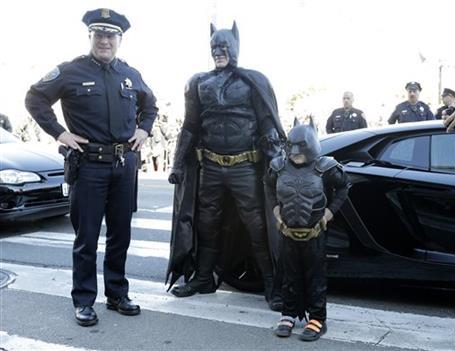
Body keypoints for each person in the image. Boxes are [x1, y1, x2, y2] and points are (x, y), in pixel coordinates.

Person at [25, 8, 158, 326]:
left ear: (119, 40)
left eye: (111, 36)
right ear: (90, 37)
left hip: (124, 165)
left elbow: (150, 104)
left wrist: (144, 129)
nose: (105, 41)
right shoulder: (69, 71)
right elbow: (35, 98)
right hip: (89, 166)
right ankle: (84, 300)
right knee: (86, 237)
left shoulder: (130, 74)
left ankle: (117, 294)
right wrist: (60, 132)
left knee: (120, 234)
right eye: (99, 34)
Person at [166, 22, 285, 310]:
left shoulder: (253, 81)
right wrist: (178, 163)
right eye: (214, 47)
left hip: (246, 166)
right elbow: (191, 126)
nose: (219, 52)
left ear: (235, 47)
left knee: (257, 225)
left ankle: (273, 283)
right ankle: (204, 277)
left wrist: (277, 159)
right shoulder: (199, 83)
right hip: (211, 166)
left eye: (224, 47)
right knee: (206, 223)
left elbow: (267, 121)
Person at [265, 118, 349, 342]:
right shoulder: (278, 166)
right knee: (288, 275)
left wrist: (329, 213)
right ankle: (289, 314)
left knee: (316, 277)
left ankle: (317, 318)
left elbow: (343, 188)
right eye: (291, 147)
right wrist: (276, 211)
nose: (294, 152)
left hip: (315, 233)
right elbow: (268, 186)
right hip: (288, 232)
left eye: (300, 147)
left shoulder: (326, 167)